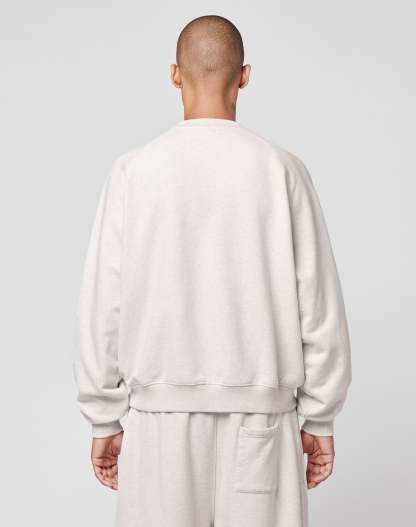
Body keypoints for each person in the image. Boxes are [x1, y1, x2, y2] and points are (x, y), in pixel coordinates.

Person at [73, 14, 351, 527]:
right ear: (244, 76)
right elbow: (318, 303)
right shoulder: (281, 169)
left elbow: (104, 303)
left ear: (175, 74)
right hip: (262, 420)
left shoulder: (134, 172)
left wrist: (103, 418)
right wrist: (321, 416)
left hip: (159, 422)